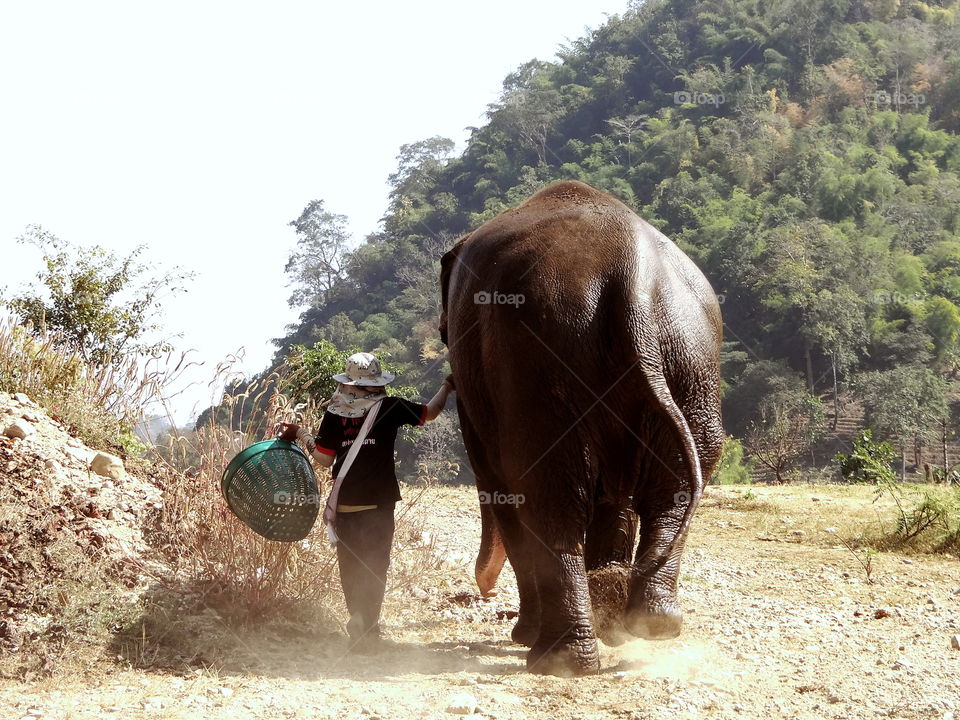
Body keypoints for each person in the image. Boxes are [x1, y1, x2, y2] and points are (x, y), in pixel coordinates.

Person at [278, 351, 454, 653]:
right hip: (378, 505)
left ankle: (357, 618)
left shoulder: (335, 411)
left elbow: (323, 458)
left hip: (345, 506)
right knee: (375, 566)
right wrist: (448, 386)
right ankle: (369, 627)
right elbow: (430, 413)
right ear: (376, 381)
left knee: (350, 567)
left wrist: (301, 434)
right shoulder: (391, 406)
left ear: (348, 381)